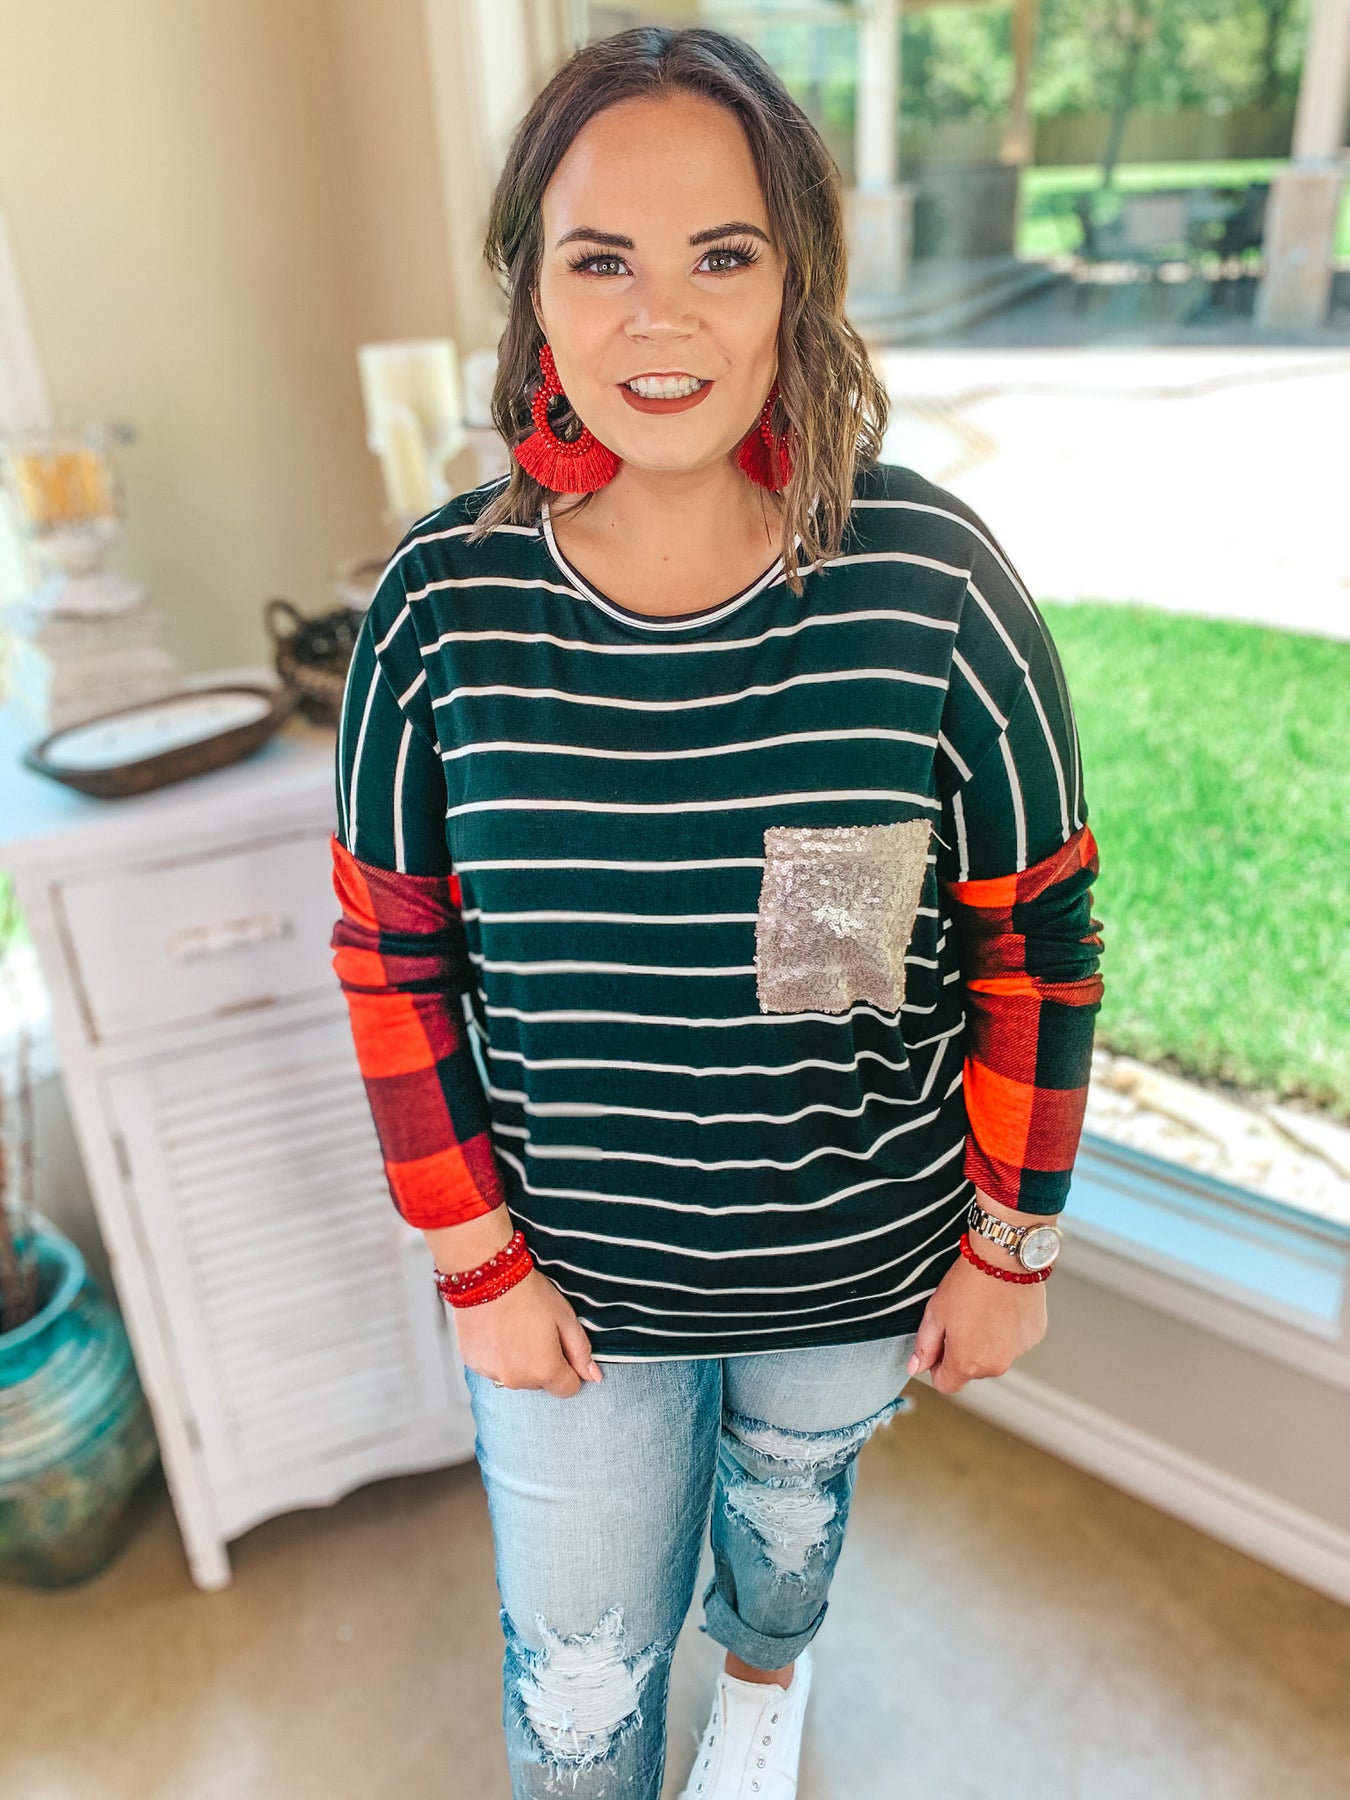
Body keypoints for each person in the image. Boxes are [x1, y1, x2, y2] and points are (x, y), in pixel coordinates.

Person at [329, 25, 1103, 1800]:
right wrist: (475, 1262)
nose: (657, 318)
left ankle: (764, 1688)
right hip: (564, 1289)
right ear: (534, 289)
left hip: (848, 1258)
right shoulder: (439, 609)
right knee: (582, 1677)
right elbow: (392, 958)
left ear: (794, 284)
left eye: (722, 256)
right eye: (600, 260)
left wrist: (1010, 1248)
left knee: (786, 1530)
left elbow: (1034, 945)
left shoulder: (929, 585)